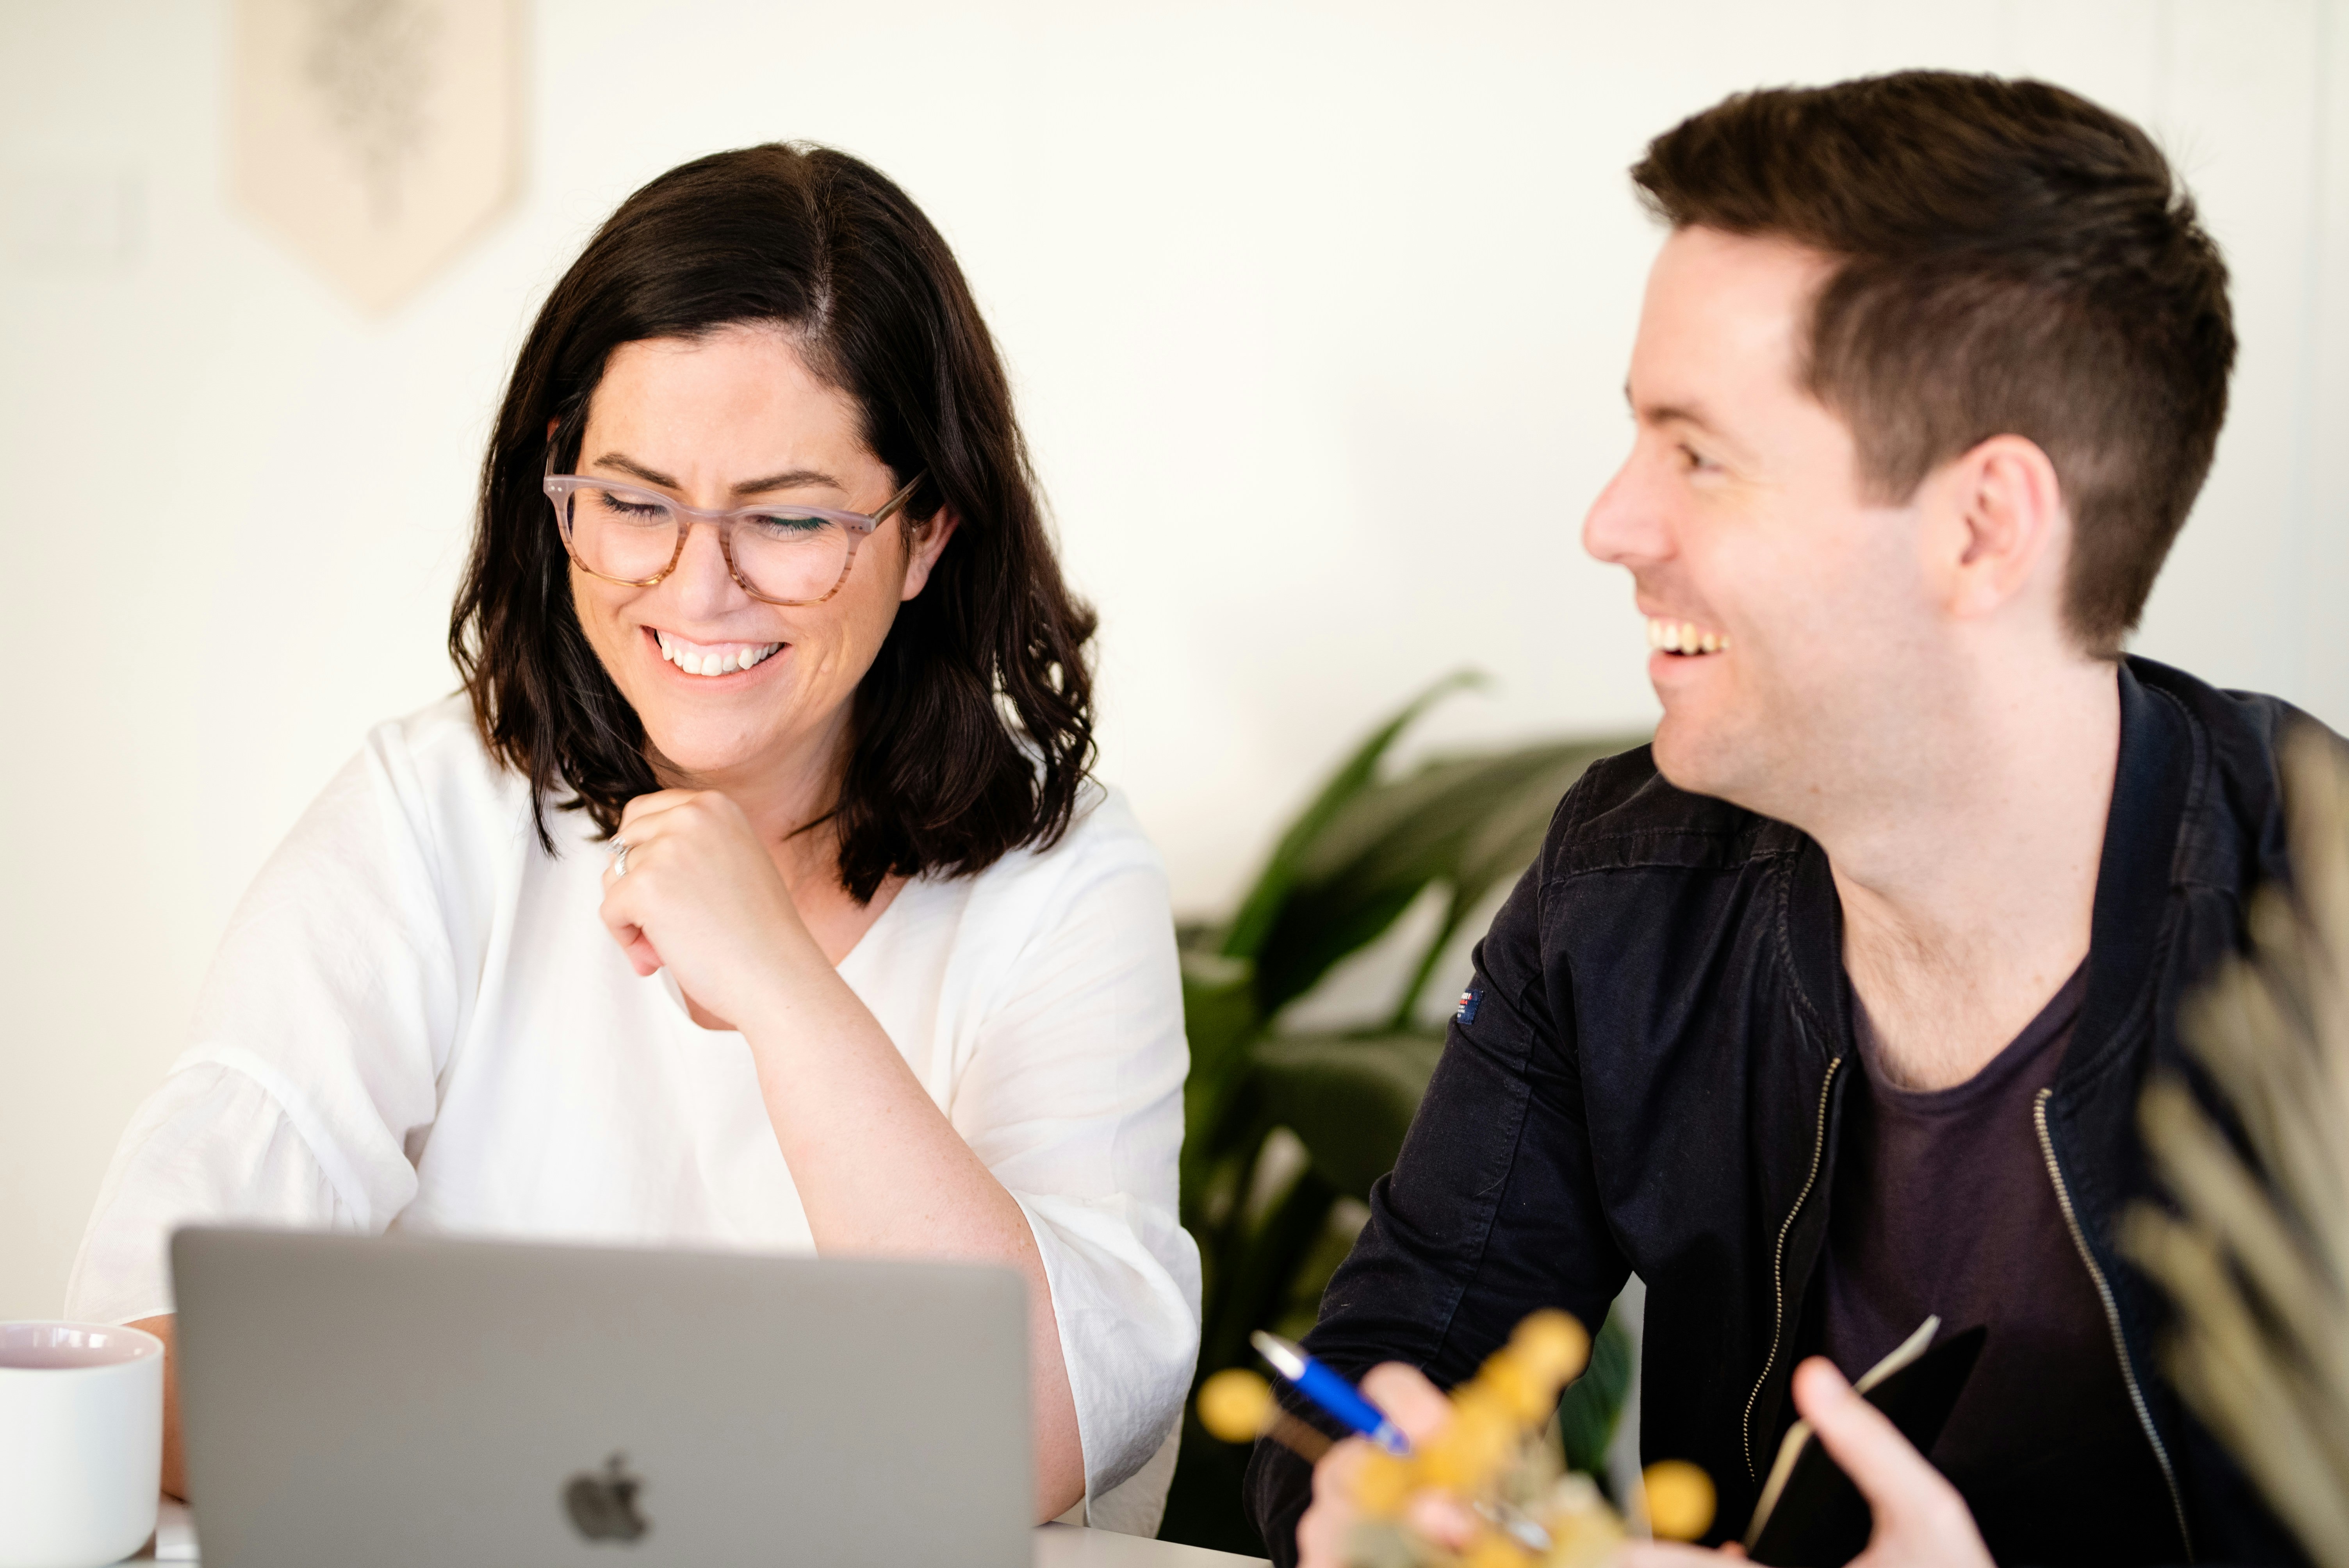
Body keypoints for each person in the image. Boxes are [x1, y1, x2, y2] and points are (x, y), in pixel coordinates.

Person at [1248, 72, 2317, 1566]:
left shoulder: (2322, 938)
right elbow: (1382, 1373)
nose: (1610, 524)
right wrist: (1383, 1504)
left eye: (1698, 453)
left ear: (1982, 529)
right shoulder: (1622, 890)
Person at [67, 143, 1199, 1534]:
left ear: (928, 534)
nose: (696, 587)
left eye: (790, 518)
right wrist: (659, 1455)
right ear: (560, 491)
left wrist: (780, 984)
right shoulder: (430, 814)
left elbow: (1037, 1433)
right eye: (635, 503)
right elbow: (129, 1360)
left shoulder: (1065, 877)